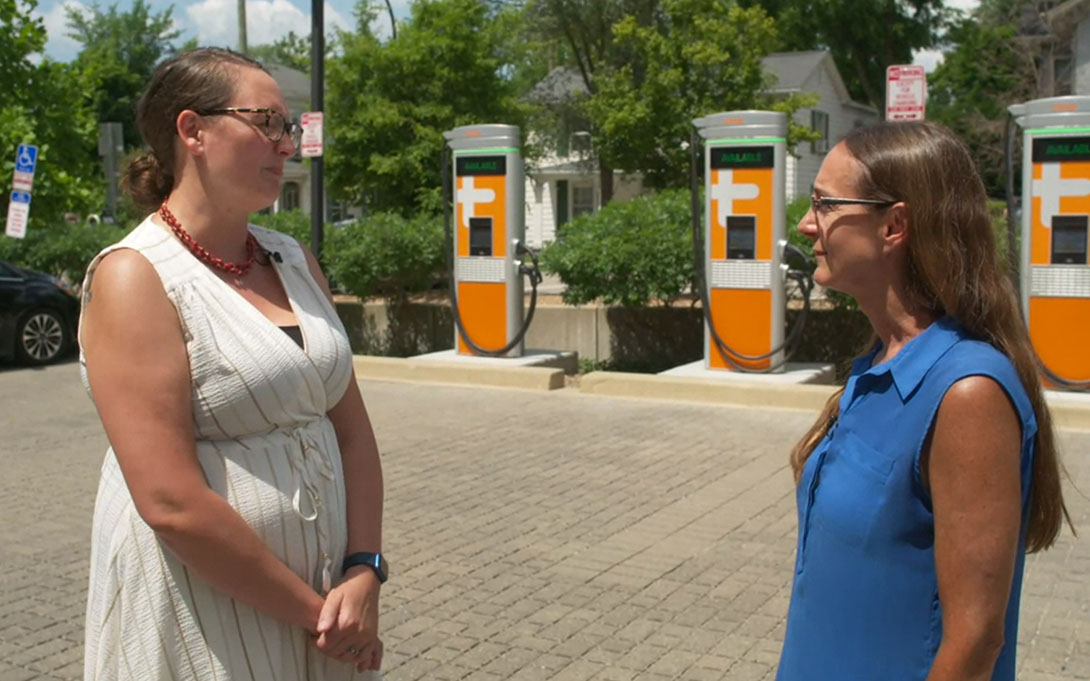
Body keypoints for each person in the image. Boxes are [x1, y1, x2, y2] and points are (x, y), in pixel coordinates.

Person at [79, 47, 386, 680]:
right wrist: (319, 617)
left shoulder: (293, 258)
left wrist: (365, 568)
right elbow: (170, 502)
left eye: (290, 126)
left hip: (327, 602)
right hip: (208, 611)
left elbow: (352, 430)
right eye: (267, 122)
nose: (286, 144)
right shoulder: (135, 277)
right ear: (192, 130)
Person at [776, 121, 1073, 681]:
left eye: (824, 204)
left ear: (894, 225)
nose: (807, 224)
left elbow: (977, 640)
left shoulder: (966, 393)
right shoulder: (879, 363)